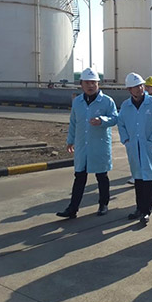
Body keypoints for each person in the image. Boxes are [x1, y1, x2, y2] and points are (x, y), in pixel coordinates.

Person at [57, 67, 118, 219]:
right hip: (82, 145)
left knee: (101, 176)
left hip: (99, 145)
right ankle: (72, 209)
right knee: (79, 176)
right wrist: (70, 141)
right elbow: (73, 123)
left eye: (93, 83)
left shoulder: (107, 101)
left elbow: (115, 118)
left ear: (98, 84)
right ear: (81, 84)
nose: (90, 85)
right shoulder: (77, 102)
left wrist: (102, 120)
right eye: (87, 83)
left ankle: (103, 204)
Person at [118, 73, 152, 225]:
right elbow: (121, 124)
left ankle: (146, 211)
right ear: (129, 89)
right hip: (134, 147)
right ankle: (139, 208)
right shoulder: (126, 106)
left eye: (140, 85)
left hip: (149, 147)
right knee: (138, 178)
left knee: (149, 179)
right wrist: (126, 140)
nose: (139, 89)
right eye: (135, 87)